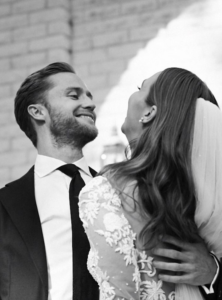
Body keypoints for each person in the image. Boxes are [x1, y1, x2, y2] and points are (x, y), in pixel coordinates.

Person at [79, 67, 222, 300]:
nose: (133, 95)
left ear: (149, 113)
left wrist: (214, 271)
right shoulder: (203, 198)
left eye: (140, 88)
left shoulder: (106, 191)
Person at [0, 62, 99, 300]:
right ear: (38, 112)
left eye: (89, 96)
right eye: (74, 95)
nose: (89, 103)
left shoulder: (124, 193)